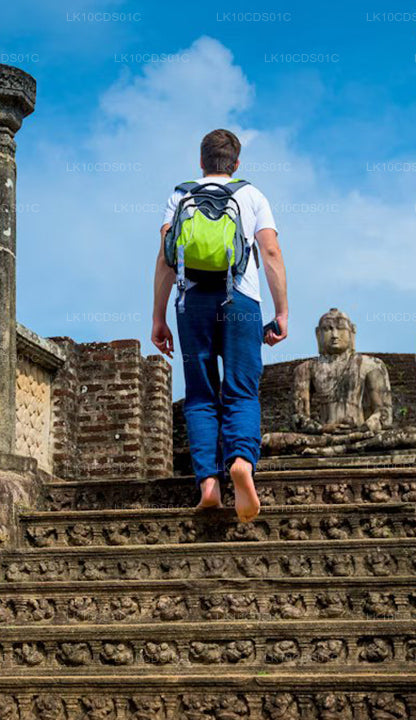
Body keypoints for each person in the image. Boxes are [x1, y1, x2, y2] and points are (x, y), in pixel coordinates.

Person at [151, 129, 288, 523]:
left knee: (199, 395)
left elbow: (165, 260)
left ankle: (208, 484)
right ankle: (242, 461)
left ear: (201, 163)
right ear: (236, 164)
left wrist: (159, 317)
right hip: (242, 301)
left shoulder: (180, 196)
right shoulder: (252, 195)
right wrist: (281, 312)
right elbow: (272, 252)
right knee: (242, 391)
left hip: (191, 302)